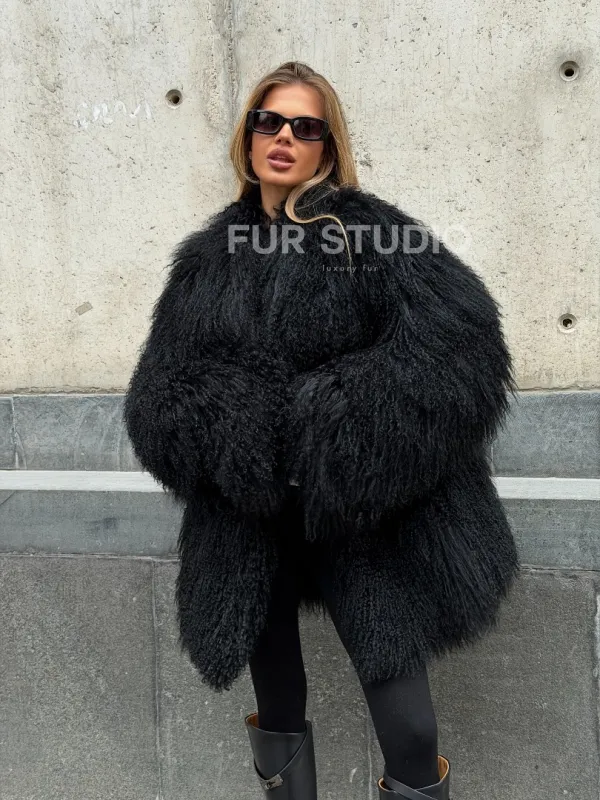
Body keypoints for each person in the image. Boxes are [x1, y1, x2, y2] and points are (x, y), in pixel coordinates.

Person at [123, 60, 520, 799]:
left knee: (410, 729)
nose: (283, 137)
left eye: (305, 127)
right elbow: (158, 393)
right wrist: (235, 430)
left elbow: (461, 349)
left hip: (359, 518)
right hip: (254, 521)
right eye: (268, 121)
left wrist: (332, 424)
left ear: (326, 148)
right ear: (247, 137)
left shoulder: (372, 234)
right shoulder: (205, 262)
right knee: (278, 706)